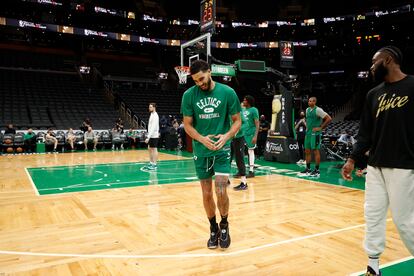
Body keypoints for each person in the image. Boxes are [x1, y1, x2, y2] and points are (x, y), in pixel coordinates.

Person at [341, 46, 414, 276]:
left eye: (374, 62)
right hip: (375, 167)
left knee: (405, 221)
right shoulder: (373, 94)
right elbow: (365, 134)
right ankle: (373, 266)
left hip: (404, 166)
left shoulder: (413, 86)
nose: (371, 67)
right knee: (372, 215)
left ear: (388, 60)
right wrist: (352, 159)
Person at [181, 60, 241, 250]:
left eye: (201, 79)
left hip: (222, 149)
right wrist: (201, 138)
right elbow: (188, 125)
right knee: (207, 193)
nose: (199, 83)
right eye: (196, 81)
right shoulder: (189, 95)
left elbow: (237, 121)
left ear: (210, 71)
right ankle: (213, 228)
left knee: (221, 189)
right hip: (201, 151)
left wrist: (227, 136)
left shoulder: (228, 93)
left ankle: (224, 225)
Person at [299, 97, 332, 177]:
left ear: (315, 102)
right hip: (308, 133)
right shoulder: (307, 110)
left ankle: (317, 170)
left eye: (311, 101)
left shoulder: (318, 110)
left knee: (315, 151)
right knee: (307, 151)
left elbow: (329, 118)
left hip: (315, 134)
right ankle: (308, 168)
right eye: (309, 101)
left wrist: (321, 127)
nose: (309, 102)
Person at [231, 102, 248, 191]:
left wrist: (238, 129)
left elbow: (246, 124)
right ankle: (225, 179)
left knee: (239, 159)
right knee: (227, 158)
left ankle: (244, 182)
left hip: (239, 138)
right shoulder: (226, 112)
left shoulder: (239, 112)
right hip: (230, 138)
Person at [242, 95, 259, 178]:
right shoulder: (243, 110)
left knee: (250, 151)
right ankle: (241, 170)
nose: (243, 101)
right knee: (242, 152)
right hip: (243, 133)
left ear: (248, 101)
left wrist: (255, 136)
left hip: (251, 133)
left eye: (245, 100)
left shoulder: (254, 110)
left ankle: (251, 171)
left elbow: (257, 123)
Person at [144, 102, 159, 170]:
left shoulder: (155, 116)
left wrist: (148, 137)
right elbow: (150, 126)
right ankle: (151, 162)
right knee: (149, 148)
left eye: (150, 107)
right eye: (149, 107)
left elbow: (153, 127)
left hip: (154, 135)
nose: (149, 108)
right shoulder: (151, 114)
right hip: (150, 134)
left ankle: (155, 164)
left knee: (154, 149)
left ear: (154, 107)